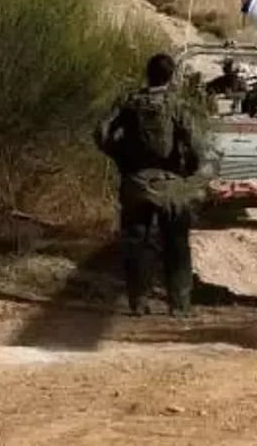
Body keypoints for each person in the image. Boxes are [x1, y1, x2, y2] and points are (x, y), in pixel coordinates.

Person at [94, 52, 206, 317]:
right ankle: (179, 305)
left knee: (137, 240)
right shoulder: (176, 104)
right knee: (176, 244)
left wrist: (119, 157)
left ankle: (138, 301)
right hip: (171, 184)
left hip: (136, 183)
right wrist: (190, 169)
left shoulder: (130, 102)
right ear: (171, 76)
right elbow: (195, 143)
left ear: (148, 74)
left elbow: (101, 132)